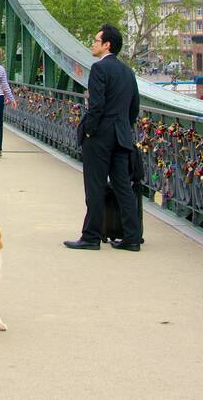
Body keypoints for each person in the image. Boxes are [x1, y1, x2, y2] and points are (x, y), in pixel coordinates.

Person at [65, 24, 143, 252]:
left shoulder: (99, 69)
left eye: (96, 40)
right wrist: (123, 128)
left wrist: (89, 130)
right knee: (123, 188)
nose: (93, 44)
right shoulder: (128, 72)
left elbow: (96, 106)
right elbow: (134, 108)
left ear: (107, 44)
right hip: (121, 136)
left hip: (99, 137)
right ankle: (132, 237)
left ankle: (91, 236)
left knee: (95, 187)